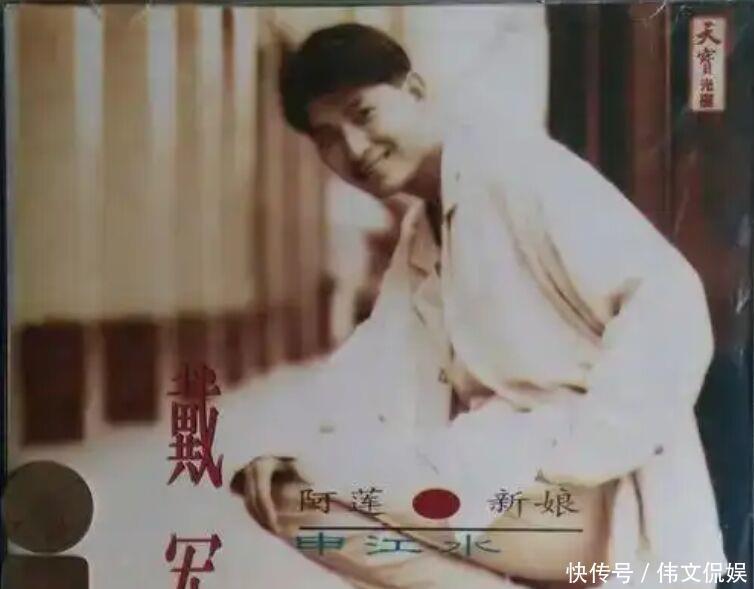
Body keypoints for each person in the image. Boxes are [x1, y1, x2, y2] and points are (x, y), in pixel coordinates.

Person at [231, 23, 726, 588]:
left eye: (363, 114)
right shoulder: (424, 230)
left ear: (415, 91)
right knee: (285, 495)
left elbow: (669, 297)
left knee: (308, 490)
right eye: (328, 138)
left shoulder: (515, 171)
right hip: (505, 474)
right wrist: (285, 444)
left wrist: (582, 455)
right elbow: (374, 363)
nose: (355, 149)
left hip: (584, 494)